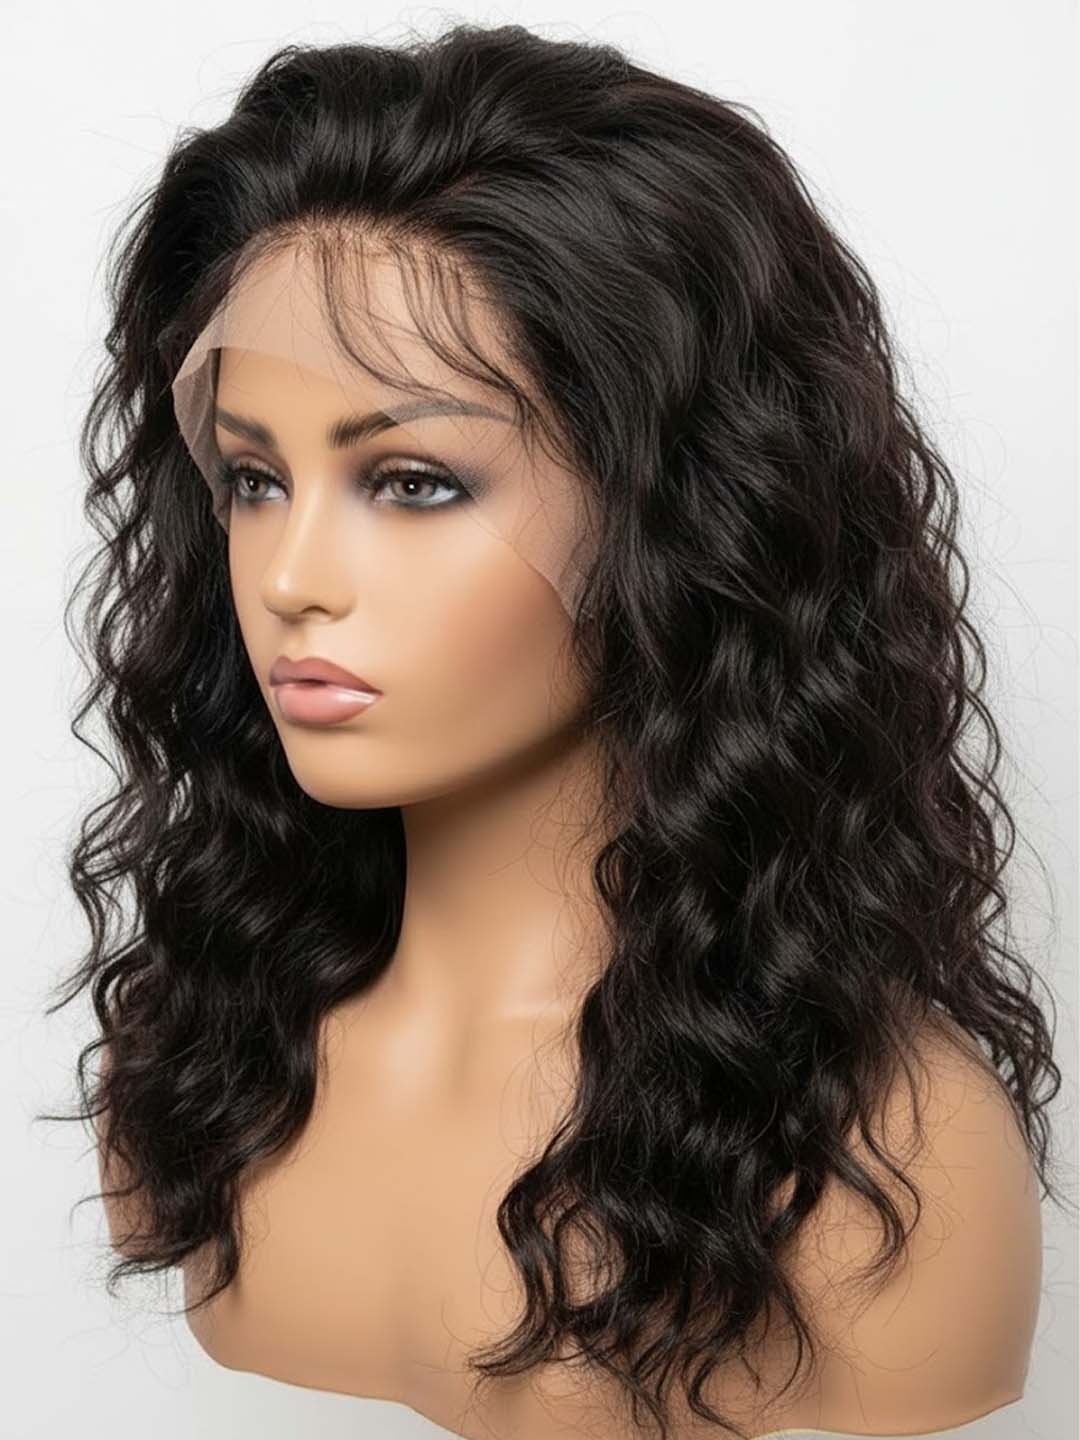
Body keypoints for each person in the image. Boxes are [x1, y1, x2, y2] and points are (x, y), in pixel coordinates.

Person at [54, 22, 1064, 1440]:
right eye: (253, 479)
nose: (287, 579)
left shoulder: (883, 1163)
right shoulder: (199, 1066)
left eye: (412, 482)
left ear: (675, 516)